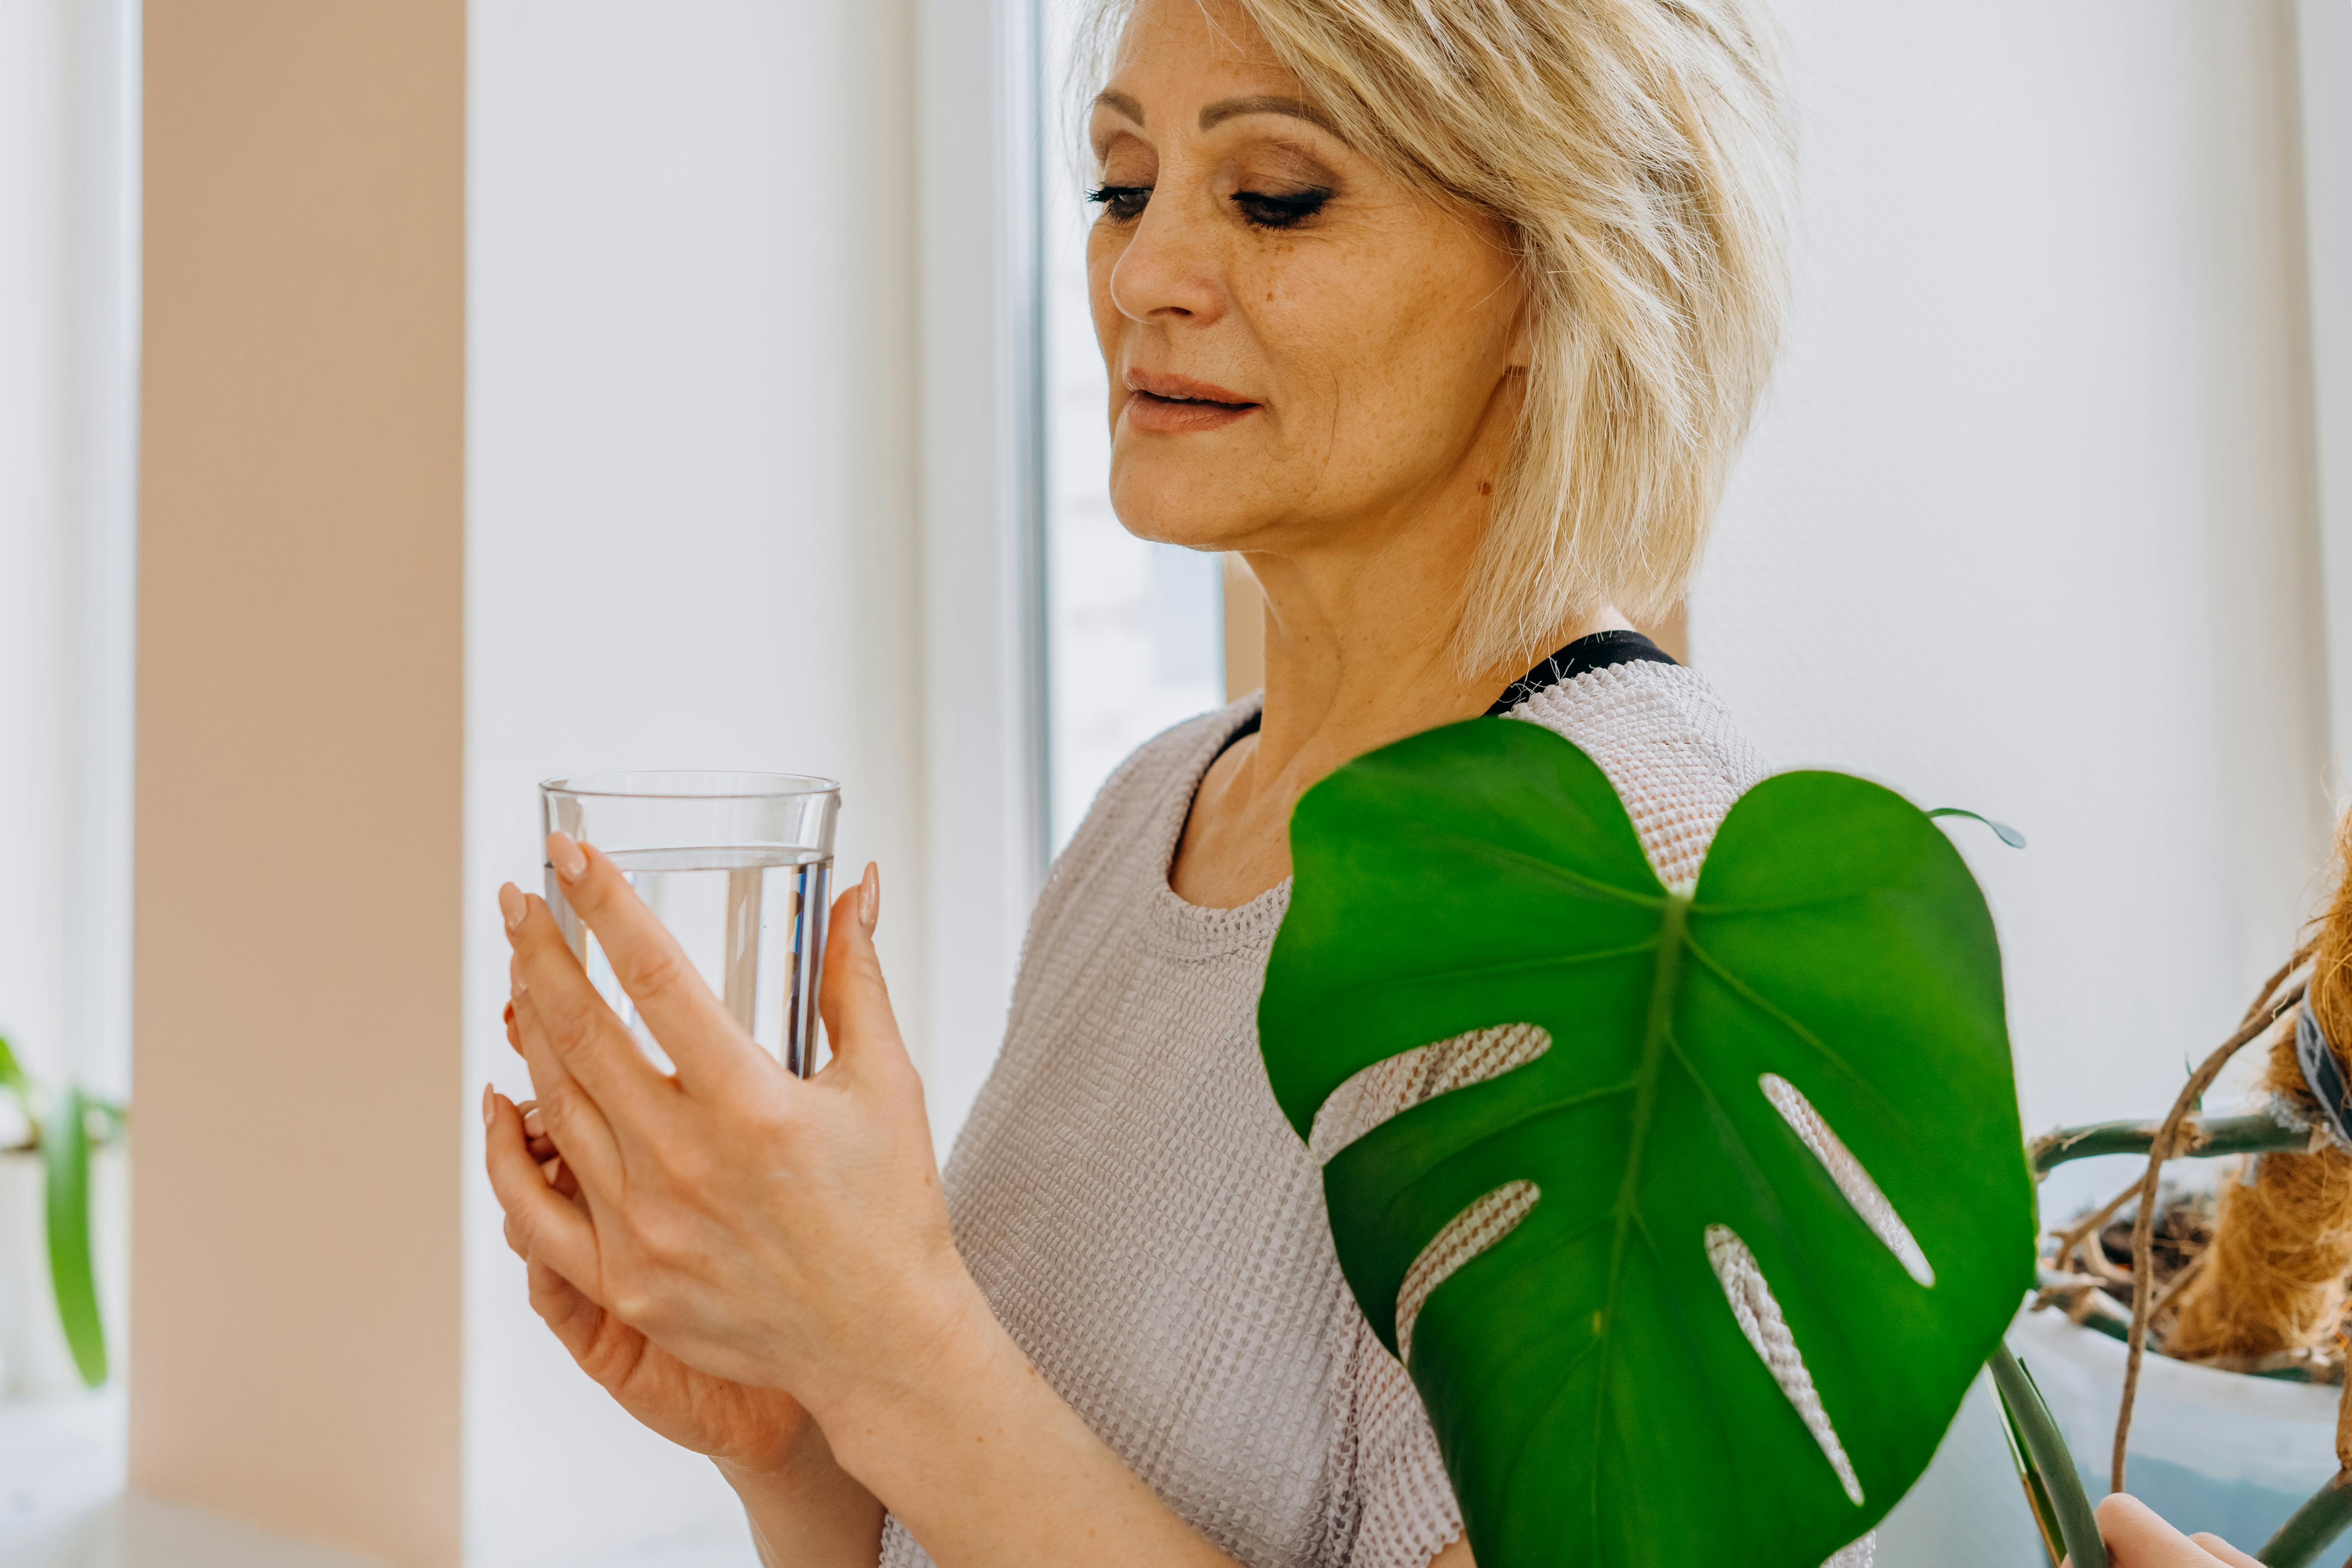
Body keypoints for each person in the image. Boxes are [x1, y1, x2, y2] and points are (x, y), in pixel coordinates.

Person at [479, 1, 2245, 1564]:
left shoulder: (1661, 881)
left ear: (1559, 278)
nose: (1145, 269)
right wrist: (802, 1441)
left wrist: (896, 1348)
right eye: (1120, 183)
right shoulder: (1152, 817)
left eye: (1274, 195)